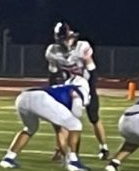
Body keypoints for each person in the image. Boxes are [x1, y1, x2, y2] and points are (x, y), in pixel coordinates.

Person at [0, 76, 91, 171]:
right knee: (76, 124)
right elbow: (76, 114)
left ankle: (8, 158)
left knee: (30, 128)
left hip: (23, 97)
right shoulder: (80, 90)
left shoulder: (61, 89)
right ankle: (73, 161)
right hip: (41, 98)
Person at [45, 22, 110, 159]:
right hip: (67, 87)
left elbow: (92, 70)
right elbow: (53, 74)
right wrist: (54, 92)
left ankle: (104, 147)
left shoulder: (83, 47)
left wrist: (91, 91)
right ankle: (61, 149)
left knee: (94, 117)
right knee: (64, 118)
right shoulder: (53, 51)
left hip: (85, 85)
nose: (64, 42)